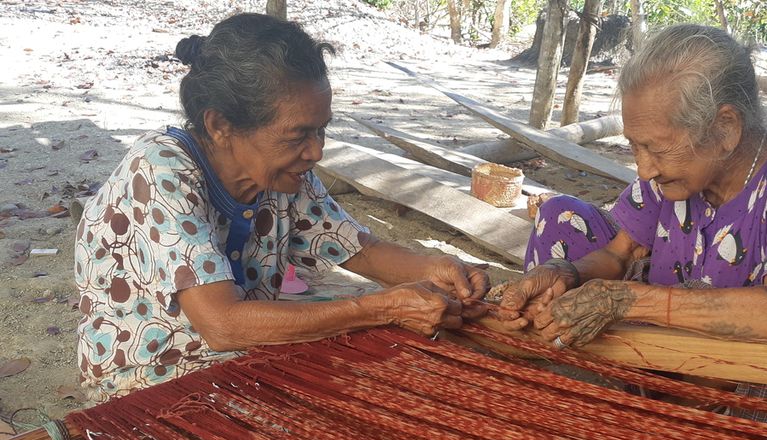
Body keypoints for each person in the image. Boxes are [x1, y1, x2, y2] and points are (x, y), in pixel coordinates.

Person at [74, 13, 488, 403]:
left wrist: (436, 268)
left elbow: (358, 249)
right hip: (154, 373)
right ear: (220, 126)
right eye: (298, 135)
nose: (316, 151)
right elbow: (222, 324)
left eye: (322, 129)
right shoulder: (160, 170)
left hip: (245, 348)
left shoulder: (281, 174)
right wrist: (378, 308)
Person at [497, 24, 767, 428]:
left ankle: (651, 410)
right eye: (636, 146)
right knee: (560, 214)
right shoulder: (667, 177)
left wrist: (625, 301)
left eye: (658, 149)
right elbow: (620, 253)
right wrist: (566, 274)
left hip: (739, 366)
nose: (644, 168)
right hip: (668, 346)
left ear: (724, 129)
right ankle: (623, 393)